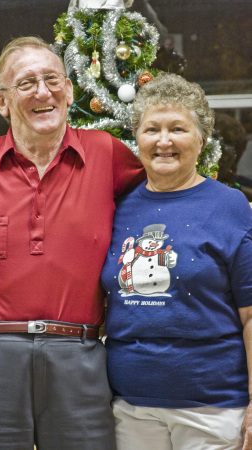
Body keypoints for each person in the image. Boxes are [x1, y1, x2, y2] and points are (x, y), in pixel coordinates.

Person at [0, 36, 145, 450]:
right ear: (1, 102)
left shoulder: (107, 154)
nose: (43, 92)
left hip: (77, 354)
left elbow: (161, 203)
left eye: (52, 79)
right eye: (26, 84)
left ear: (69, 90)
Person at [101, 73, 252, 450]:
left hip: (212, 409)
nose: (164, 141)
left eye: (178, 129)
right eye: (152, 129)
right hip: (130, 407)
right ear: (137, 139)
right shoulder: (118, 207)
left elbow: (251, 315)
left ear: (201, 140)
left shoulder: (230, 206)